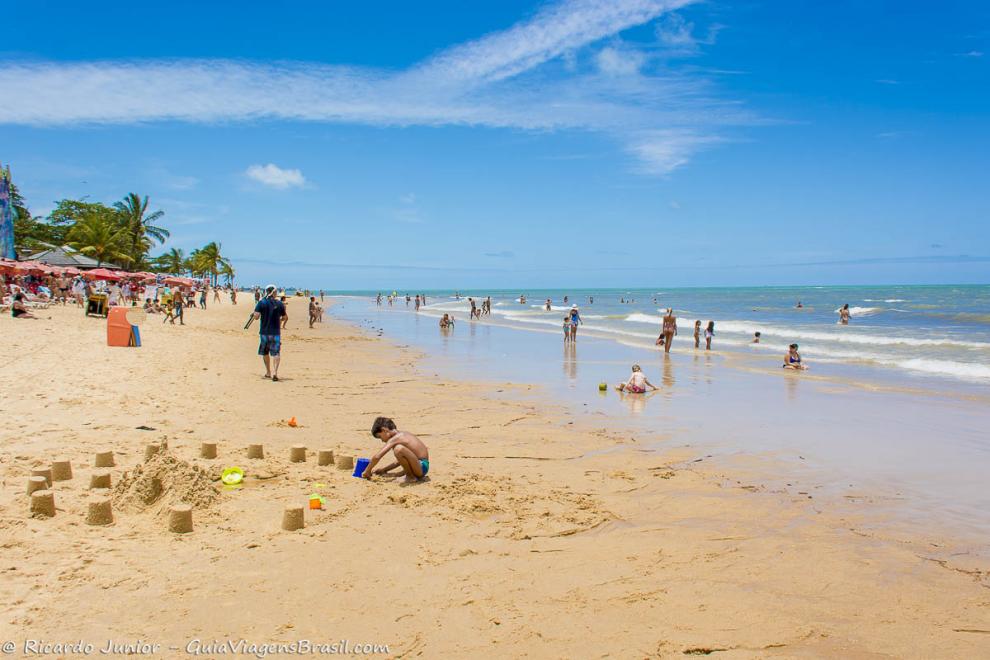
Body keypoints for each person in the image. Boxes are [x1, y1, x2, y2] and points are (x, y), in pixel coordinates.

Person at [363, 417, 430, 483]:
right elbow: (399, 461)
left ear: (384, 430)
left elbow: (377, 456)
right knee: (399, 450)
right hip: (420, 465)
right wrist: (384, 470)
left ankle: (410, 477)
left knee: (398, 449)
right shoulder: (401, 435)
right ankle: (409, 475)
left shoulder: (397, 438)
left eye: (380, 437)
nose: (382, 440)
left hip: (421, 465)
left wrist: (367, 471)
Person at [253, 284, 287, 381]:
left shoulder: (261, 303)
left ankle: (268, 372)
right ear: (274, 292)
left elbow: (256, 317)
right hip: (275, 332)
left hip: (264, 332)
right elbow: (284, 317)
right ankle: (275, 372)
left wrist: (255, 313)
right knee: (276, 352)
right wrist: (279, 321)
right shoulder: (280, 304)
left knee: (265, 352)